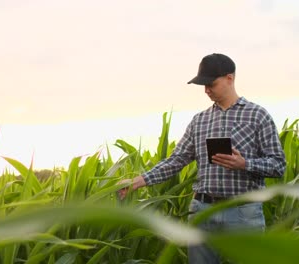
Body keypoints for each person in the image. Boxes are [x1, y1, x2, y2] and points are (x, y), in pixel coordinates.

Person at [117, 53, 286, 264]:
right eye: (203, 85)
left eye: (211, 84)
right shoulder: (200, 121)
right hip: (202, 212)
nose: (206, 90)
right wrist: (137, 182)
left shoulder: (257, 116)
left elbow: (278, 165)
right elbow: (176, 160)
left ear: (229, 78)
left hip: (243, 213)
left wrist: (245, 164)